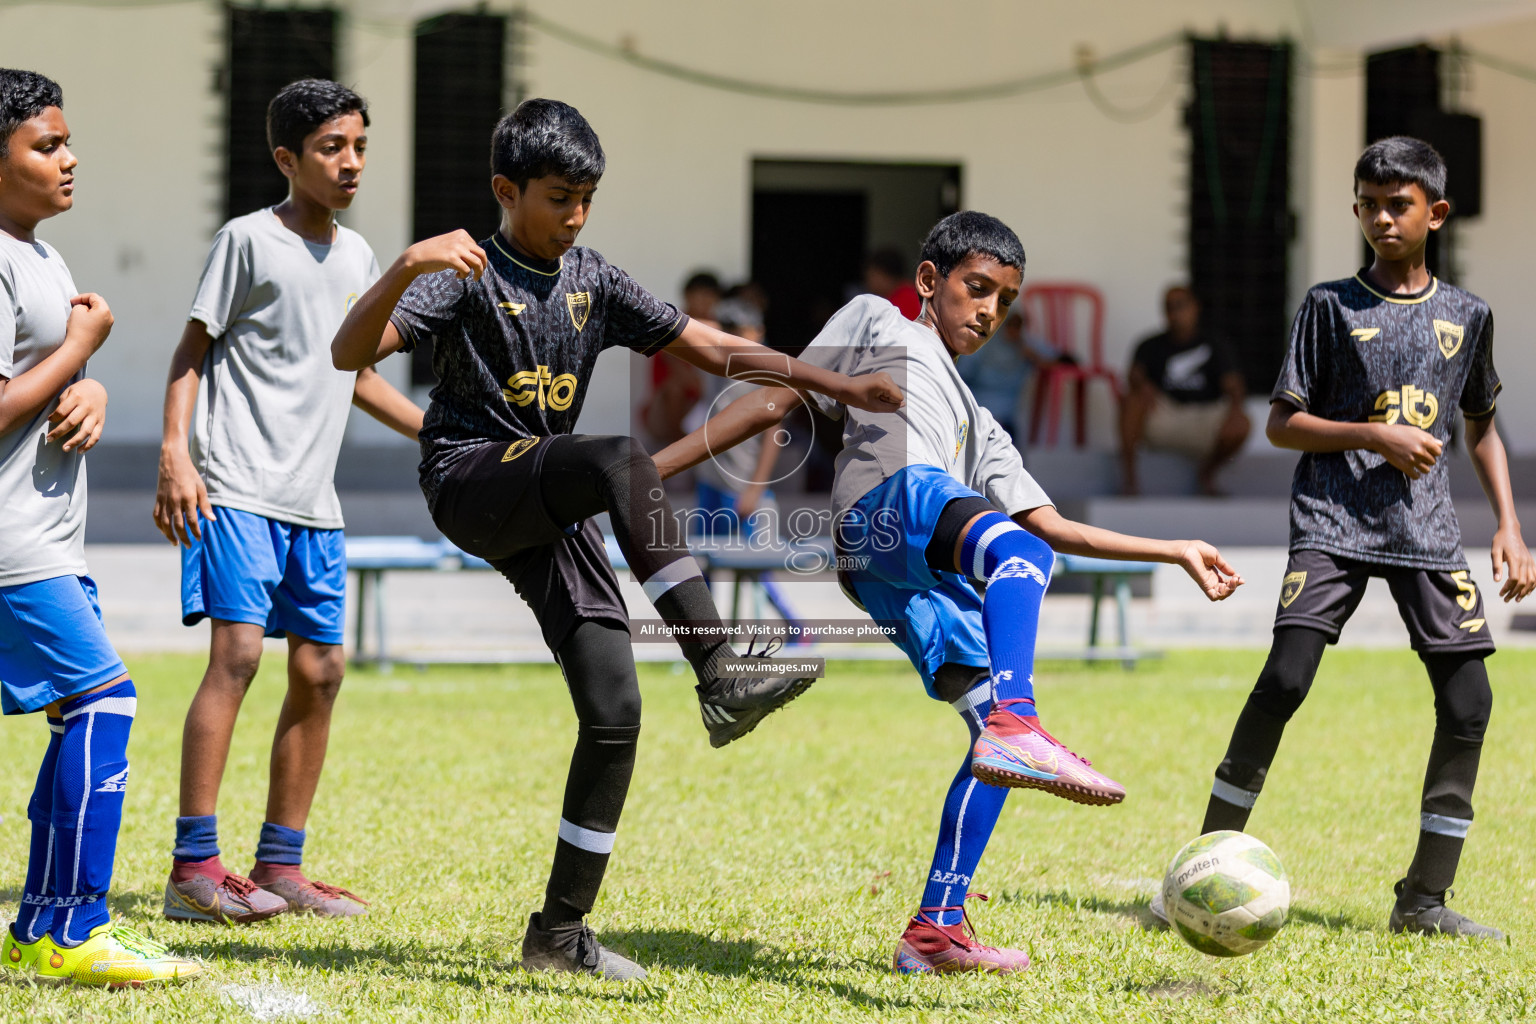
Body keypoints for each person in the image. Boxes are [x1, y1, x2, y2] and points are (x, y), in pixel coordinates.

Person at [330, 98, 903, 981]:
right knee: (618, 456)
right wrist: (406, 265)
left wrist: (836, 384)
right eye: (559, 198)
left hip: (547, 497)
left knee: (615, 709)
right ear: (505, 190)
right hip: (471, 479)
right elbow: (346, 355)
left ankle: (558, 935)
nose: (575, 217)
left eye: (588, 198)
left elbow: (711, 346)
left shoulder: (595, 276)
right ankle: (719, 669)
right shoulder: (463, 273)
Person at [654, 211, 1242, 975]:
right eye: (977, 288)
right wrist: (651, 471)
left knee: (990, 731)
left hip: (916, 579)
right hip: (883, 507)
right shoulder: (875, 320)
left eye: (1005, 299)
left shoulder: (983, 426)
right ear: (929, 282)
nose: (990, 310)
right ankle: (1019, 719)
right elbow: (774, 399)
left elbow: (1056, 528)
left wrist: (1174, 550)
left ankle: (936, 929)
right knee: (1010, 573)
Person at [1157, 137, 1534, 939]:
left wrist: (1509, 524)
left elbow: (1483, 429)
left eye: (1398, 204)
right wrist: (1374, 434)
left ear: (1435, 212)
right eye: (1368, 203)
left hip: (1427, 534)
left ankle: (1424, 902)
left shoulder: (1468, 316)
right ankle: (1194, 877)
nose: (1381, 217)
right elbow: (1283, 424)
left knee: (1470, 703)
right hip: (1331, 523)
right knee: (1286, 680)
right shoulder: (1328, 306)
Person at [153, 79, 424, 926]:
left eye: (359, 148)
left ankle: (283, 864)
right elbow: (190, 351)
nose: (350, 164)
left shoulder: (358, 256)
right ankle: (194, 867)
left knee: (322, 669)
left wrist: (440, 436)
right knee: (236, 656)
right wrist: (175, 454)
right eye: (331, 148)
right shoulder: (246, 242)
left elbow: (361, 377)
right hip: (235, 485)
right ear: (287, 158)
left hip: (315, 501)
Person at [0, 67, 199, 986]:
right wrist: (84, 347)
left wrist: (88, 385)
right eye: (46, 145)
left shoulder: (40, 256)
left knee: (78, 711)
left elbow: (36, 380)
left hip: (48, 532)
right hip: (11, 545)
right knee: (102, 699)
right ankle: (72, 928)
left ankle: (45, 924)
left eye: (67, 140)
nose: (69, 158)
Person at [1119, 285, 1250, 495]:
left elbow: (1234, 386)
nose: (1175, 313)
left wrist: (1235, 410)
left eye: (1181, 305)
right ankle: (1129, 481)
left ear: (1196, 307)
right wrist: (1141, 386)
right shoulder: (1149, 345)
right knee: (1131, 401)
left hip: (1205, 418)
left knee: (1242, 423)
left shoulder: (1216, 344)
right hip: (1165, 416)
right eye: (1169, 307)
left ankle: (1207, 473)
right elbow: (1134, 377)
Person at [958, 306, 1063, 441]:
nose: (1013, 330)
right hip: (976, 411)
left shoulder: (1026, 344)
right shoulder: (981, 344)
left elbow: (1060, 360)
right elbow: (961, 375)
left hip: (1007, 416)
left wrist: (1033, 356)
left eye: (1017, 325)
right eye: (1010, 324)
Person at [639, 270, 717, 446]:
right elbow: (678, 370)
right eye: (701, 294)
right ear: (688, 295)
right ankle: (679, 446)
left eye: (711, 296)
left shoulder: (717, 325)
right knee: (675, 388)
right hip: (667, 407)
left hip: (702, 401)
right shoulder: (673, 321)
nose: (706, 301)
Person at [865, 246, 922, 319]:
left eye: (872, 275)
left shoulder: (903, 301)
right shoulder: (909, 292)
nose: (868, 281)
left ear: (884, 274)